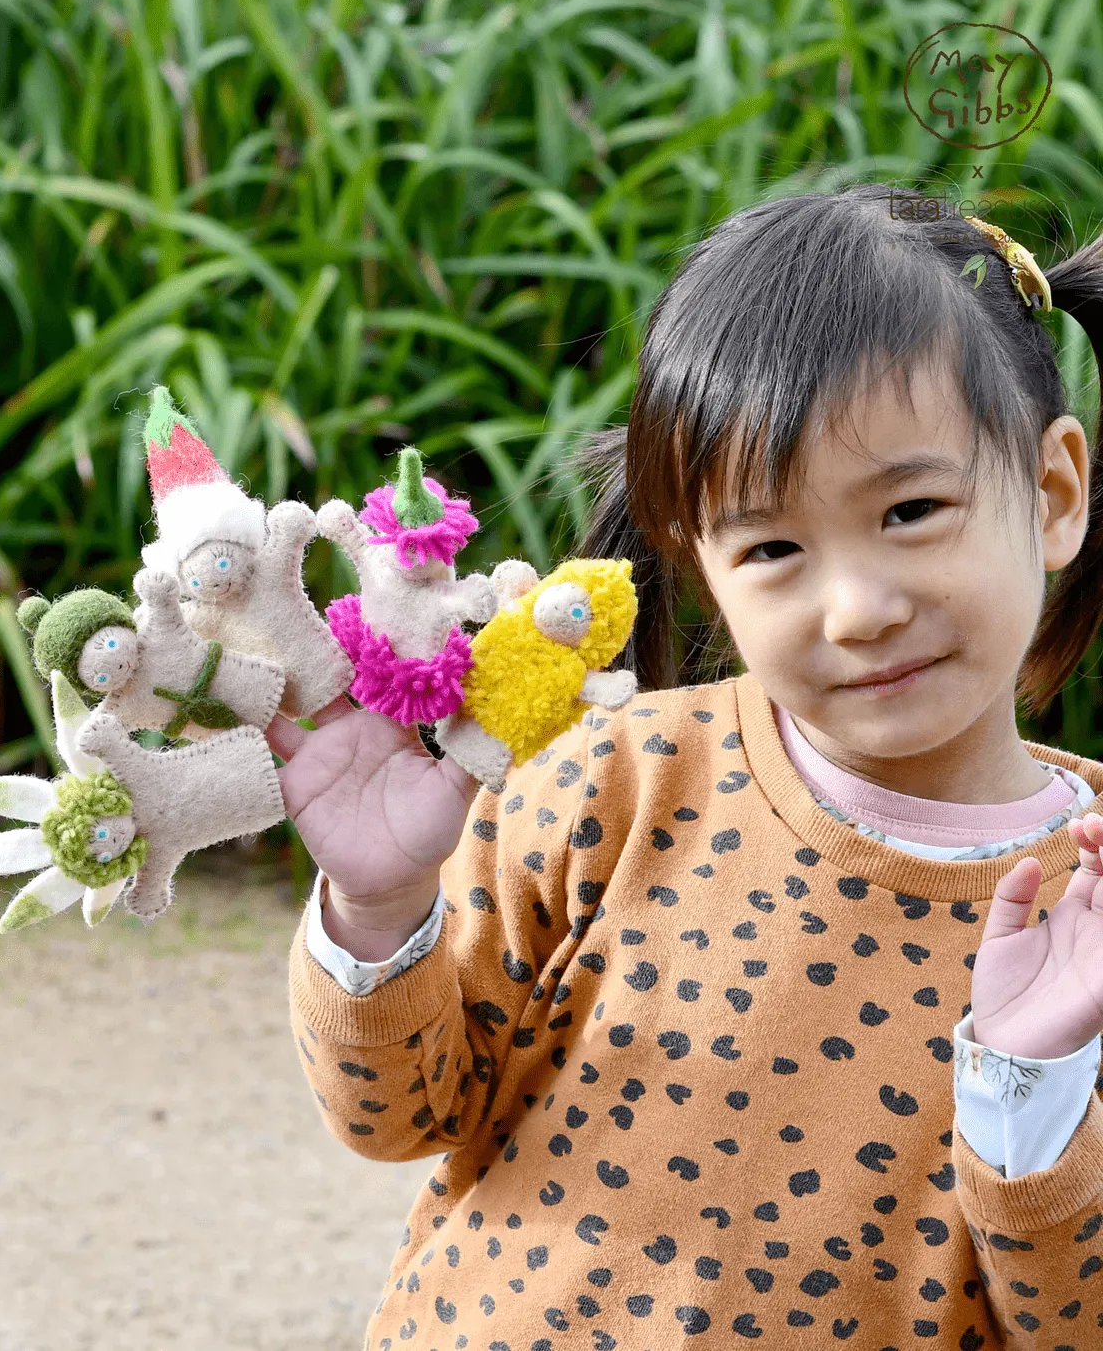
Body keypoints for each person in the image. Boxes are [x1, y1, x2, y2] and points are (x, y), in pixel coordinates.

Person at [270, 183, 1103, 1350]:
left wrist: (1033, 1090)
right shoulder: (611, 780)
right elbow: (397, 1115)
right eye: (771, 546)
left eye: (913, 509)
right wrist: (377, 906)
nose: (856, 608)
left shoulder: (1091, 912)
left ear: (1055, 493)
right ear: (705, 569)